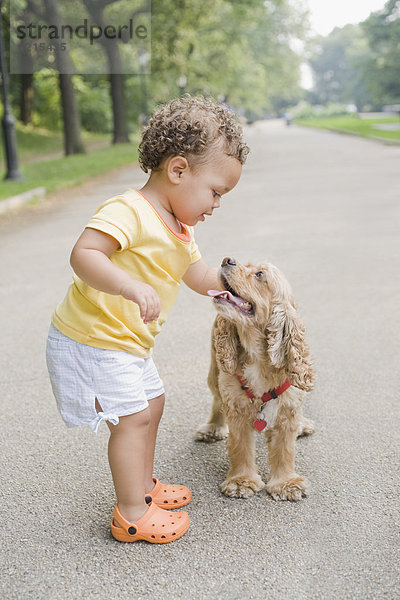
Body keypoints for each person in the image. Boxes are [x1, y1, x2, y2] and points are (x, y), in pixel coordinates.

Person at [46, 94, 249, 544]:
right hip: (93, 338)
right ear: (178, 171)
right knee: (133, 418)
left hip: (126, 343)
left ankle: (142, 484)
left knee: (152, 405)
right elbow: (84, 255)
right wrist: (128, 285)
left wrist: (233, 282)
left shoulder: (181, 226)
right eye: (215, 192)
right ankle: (132, 513)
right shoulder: (130, 211)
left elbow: (195, 273)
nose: (217, 204)